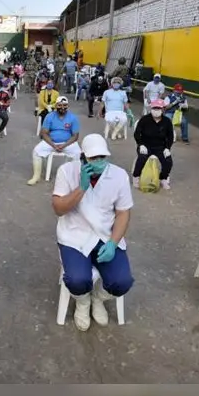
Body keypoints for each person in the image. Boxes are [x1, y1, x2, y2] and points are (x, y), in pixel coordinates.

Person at [52, 134, 135, 331]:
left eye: (102, 158)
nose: (98, 162)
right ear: (82, 157)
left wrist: (113, 242)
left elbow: (123, 213)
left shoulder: (118, 175)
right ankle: (83, 302)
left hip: (105, 235)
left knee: (122, 282)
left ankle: (98, 298)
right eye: (92, 158)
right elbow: (58, 208)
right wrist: (81, 188)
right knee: (77, 280)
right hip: (75, 236)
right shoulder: (67, 171)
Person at [28, 96, 81, 185]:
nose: (62, 108)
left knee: (77, 153)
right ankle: (36, 176)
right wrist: (53, 145)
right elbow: (44, 133)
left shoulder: (73, 117)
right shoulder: (49, 116)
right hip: (51, 142)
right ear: (56, 106)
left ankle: (73, 178)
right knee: (36, 151)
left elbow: (75, 136)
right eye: (60, 105)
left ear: (68, 106)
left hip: (67, 143)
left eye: (65, 105)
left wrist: (64, 145)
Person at [132, 99, 174, 189]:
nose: (156, 110)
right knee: (142, 158)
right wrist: (141, 144)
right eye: (154, 108)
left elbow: (170, 136)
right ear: (151, 109)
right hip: (145, 145)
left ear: (163, 109)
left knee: (168, 161)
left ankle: (163, 178)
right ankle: (136, 176)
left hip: (160, 147)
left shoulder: (167, 121)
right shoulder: (144, 119)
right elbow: (137, 134)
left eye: (158, 108)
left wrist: (167, 148)